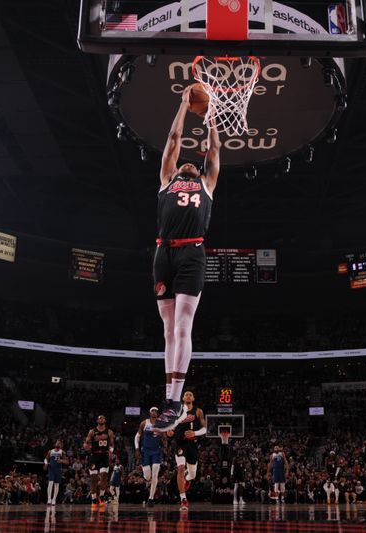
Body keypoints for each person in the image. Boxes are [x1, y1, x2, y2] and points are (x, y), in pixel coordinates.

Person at [153, 87, 221, 428]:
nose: (189, 164)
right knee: (167, 330)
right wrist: (182, 103)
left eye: (195, 163)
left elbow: (215, 149)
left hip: (193, 251)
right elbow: (174, 137)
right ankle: (169, 398)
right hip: (163, 252)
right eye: (185, 162)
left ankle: (175, 401)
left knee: (182, 325)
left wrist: (210, 117)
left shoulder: (207, 184)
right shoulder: (167, 179)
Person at [159, 390, 207, 510]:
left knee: (193, 474)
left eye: (191, 394)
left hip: (192, 444)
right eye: (186, 394)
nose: (188, 396)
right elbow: (169, 427)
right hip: (180, 443)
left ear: (193, 398)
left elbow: (205, 429)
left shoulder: (198, 411)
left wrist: (194, 433)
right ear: (183, 398)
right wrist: (169, 431)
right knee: (180, 468)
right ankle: (183, 499)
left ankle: (187, 478)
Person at [84, 415, 115, 511]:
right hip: (94, 456)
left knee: (103, 477)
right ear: (97, 420)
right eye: (100, 418)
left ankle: (101, 496)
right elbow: (86, 443)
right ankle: (93, 499)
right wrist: (86, 446)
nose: (101, 419)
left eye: (103, 418)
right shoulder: (92, 431)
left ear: (105, 420)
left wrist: (111, 452)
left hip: (104, 456)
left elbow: (112, 445)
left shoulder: (109, 432)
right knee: (93, 479)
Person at [135, 407, 164, 507]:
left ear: (158, 413)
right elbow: (137, 436)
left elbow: (164, 437)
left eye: (156, 410)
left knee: (155, 474)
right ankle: (151, 481)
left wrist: (166, 446)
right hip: (145, 451)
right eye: (153, 410)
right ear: (150, 412)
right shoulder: (144, 423)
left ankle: (151, 498)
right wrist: (136, 449)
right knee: (147, 476)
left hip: (157, 450)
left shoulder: (161, 424)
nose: (154, 412)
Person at [43, 440, 67, 506]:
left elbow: (67, 461)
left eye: (59, 443)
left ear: (61, 445)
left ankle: (54, 499)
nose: (58, 443)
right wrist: (45, 464)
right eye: (57, 442)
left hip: (58, 470)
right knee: (50, 483)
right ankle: (49, 499)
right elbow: (46, 459)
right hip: (51, 469)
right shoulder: (50, 451)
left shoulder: (62, 452)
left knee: (56, 485)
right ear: (55, 444)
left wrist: (62, 460)